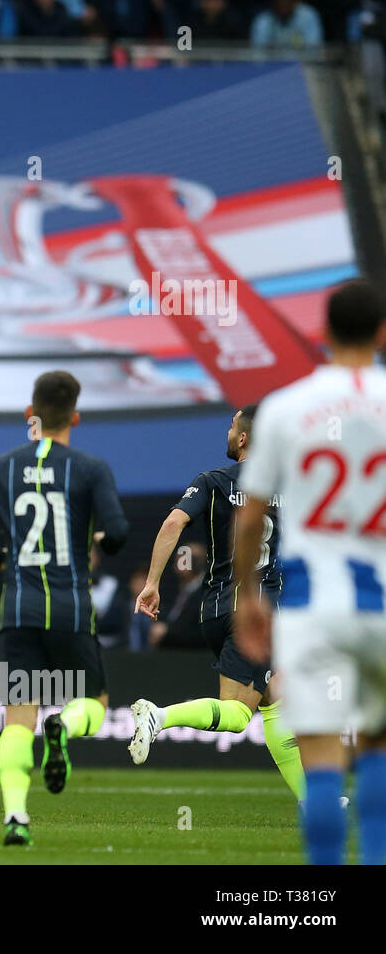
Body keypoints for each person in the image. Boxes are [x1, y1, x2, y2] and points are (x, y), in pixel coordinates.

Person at [234, 280, 386, 865]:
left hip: (310, 606)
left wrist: (248, 592)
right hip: (381, 604)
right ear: (380, 333)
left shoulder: (287, 408)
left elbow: (250, 517)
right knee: (376, 749)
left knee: (320, 756)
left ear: (320, 333)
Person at [0, 370, 128, 847]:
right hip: (71, 610)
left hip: (19, 610)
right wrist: (94, 538)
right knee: (94, 702)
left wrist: (0, 558)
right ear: (75, 416)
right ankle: (65, 727)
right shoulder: (91, 469)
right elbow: (119, 533)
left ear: (30, 415)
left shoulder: (0, 468)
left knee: (17, 718)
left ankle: (16, 817)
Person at [128, 407, 305, 798]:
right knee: (239, 714)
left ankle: (311, 801)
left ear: (243, 439)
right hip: (258, 611)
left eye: (231, 427)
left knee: (275, 700)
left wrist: (153, 584)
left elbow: (174, 523)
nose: (228, 432)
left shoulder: (212, 481)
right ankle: (159, 716)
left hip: (216, 608)